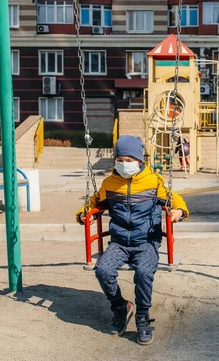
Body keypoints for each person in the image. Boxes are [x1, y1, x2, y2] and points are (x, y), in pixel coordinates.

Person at [76, 135, 189, 346]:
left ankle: (143, 316)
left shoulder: (153, 181)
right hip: (119, 242)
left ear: (139, 160)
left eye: (129, 160)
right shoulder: (109, 183)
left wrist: (179, 211)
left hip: (146, 241)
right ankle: (121, 307)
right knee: (103, 271)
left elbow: (175, 199)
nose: (124, 164)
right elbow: (93, 202)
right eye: (120, 159)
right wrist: (84, 214)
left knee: (144, 272)